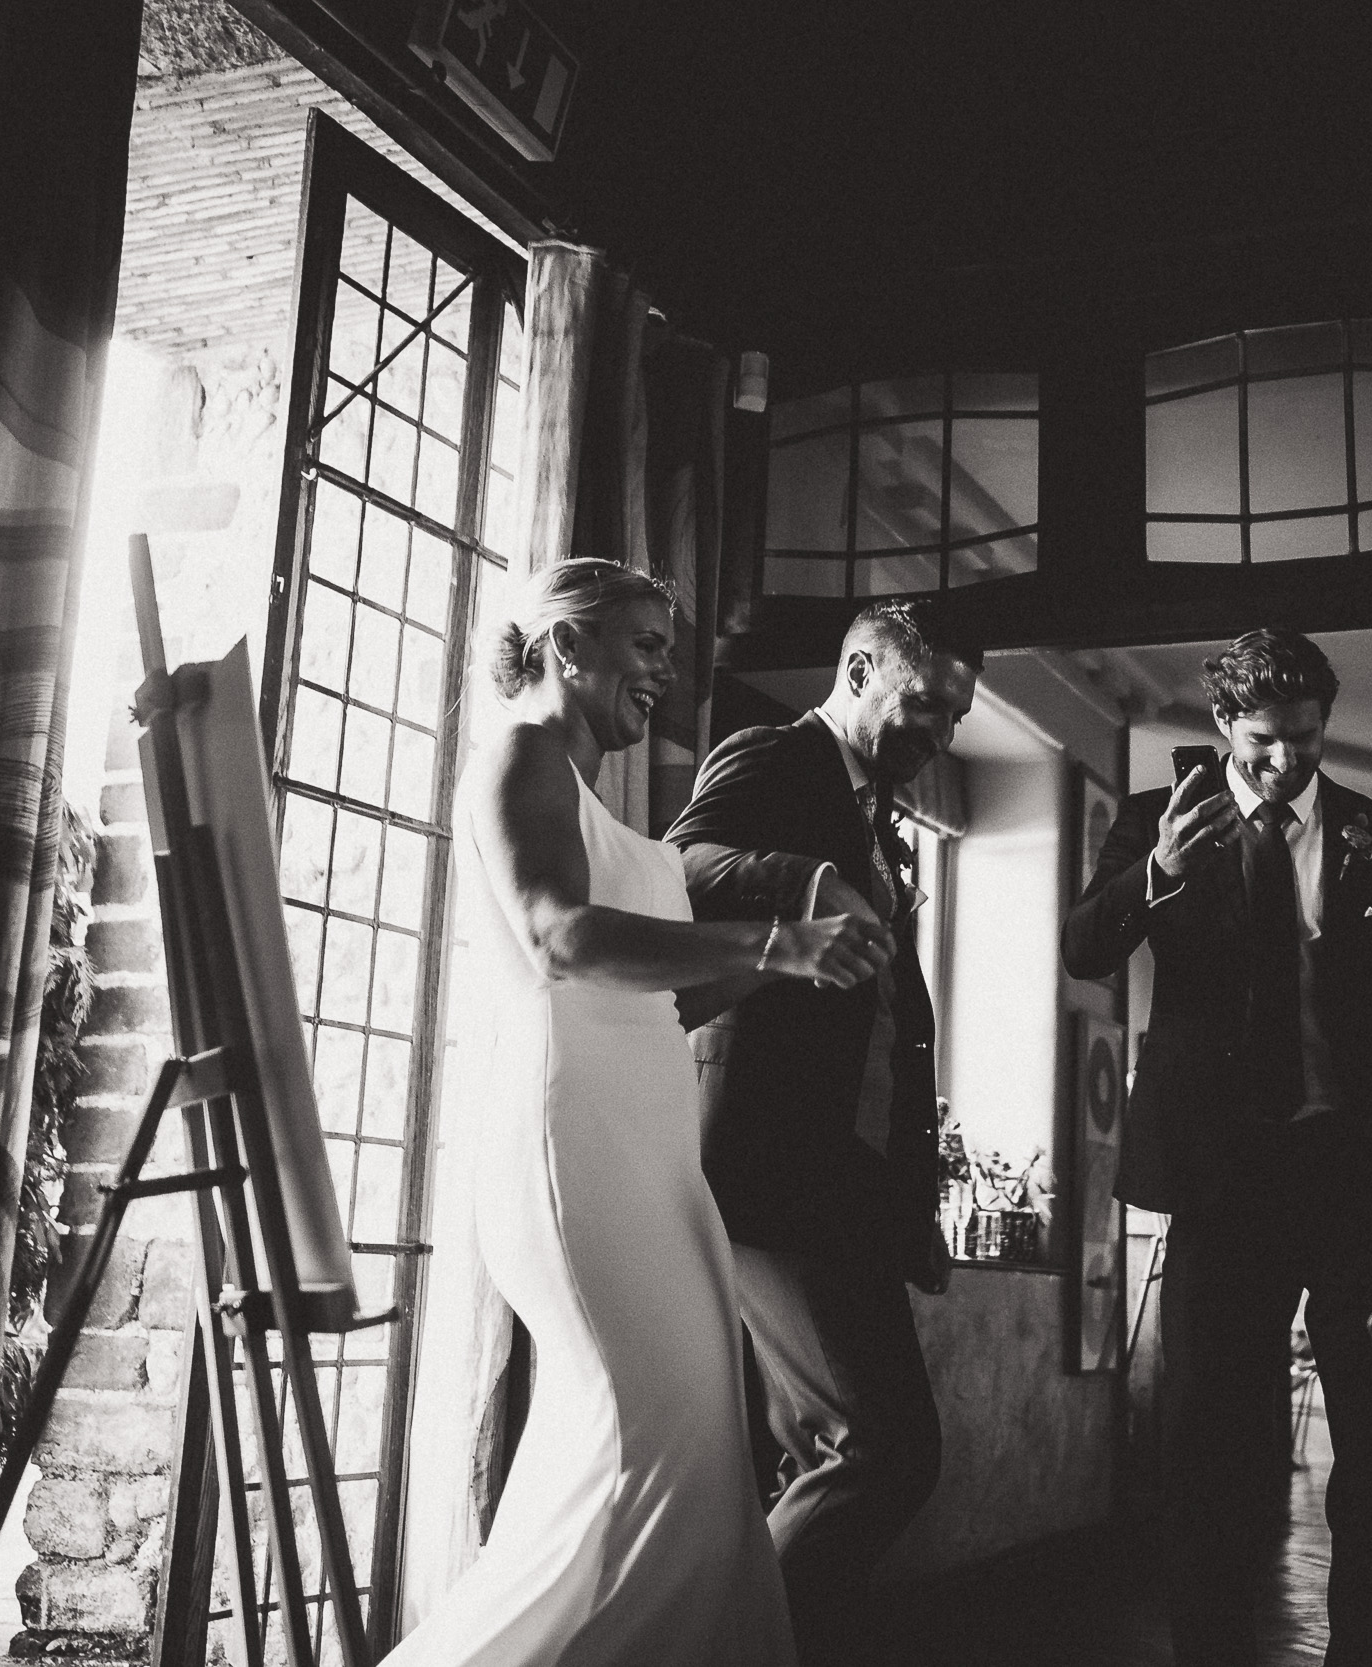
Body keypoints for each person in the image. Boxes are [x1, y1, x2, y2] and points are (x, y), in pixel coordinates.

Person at [385, 559, 891, 1667]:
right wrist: (775, 936)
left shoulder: (597, 799)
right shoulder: (521, 755)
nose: (666, 669)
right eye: (646, 642)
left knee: (654, 1467)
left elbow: (671, 999)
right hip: (576, 1156)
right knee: (667, 1452)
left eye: (667, 645)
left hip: (649, 1157)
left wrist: (794, 967)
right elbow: (557, 936)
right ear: (569, 647)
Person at [1061, 627, 1372, 1666]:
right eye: (1263, 740)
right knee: (1209, 1455)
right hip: (1221, 1188)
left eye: (1305, 736)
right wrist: (1153, 871)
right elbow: (1081, 946)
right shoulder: (1159, 824)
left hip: (1356, 1184)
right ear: (1221, 725)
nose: (1286, 759)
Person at [665, 598, 984, 1665]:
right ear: (857, 669)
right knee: (883, 1449)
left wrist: (910, 1203)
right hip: (767, 1158)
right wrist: (801, 881)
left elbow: (896, 1028)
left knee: (814, 1453)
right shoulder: (774, 756)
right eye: (926, 705)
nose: (940, 733)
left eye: (955, 717)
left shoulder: (884, 815)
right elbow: (680, 865)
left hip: (845, 1180)